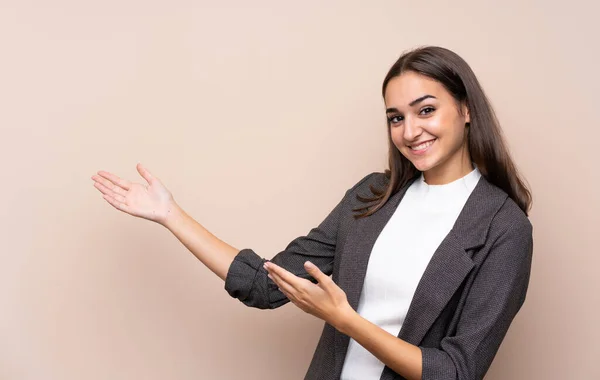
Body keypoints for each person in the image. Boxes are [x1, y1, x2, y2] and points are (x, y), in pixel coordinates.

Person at [91, 46, 533, 380]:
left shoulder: (504, 228)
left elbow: (455, 371)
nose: (410, 131)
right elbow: (264, 283)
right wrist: (171, 215)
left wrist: (346, 321)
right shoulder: (372, 197)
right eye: (395, 118)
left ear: (466, 108)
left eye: (427, 111)